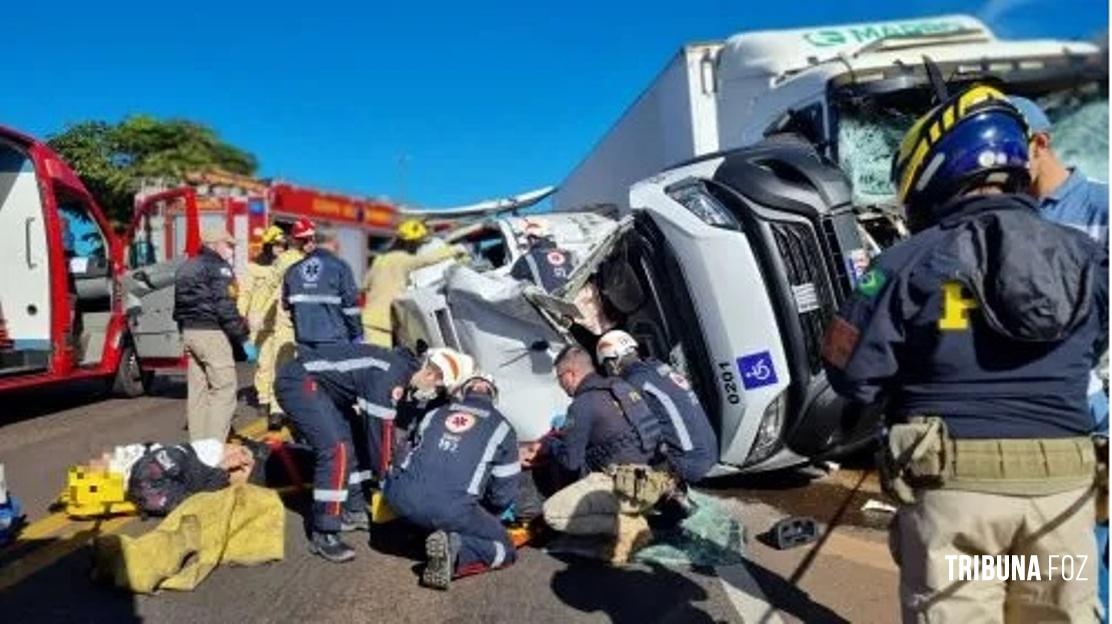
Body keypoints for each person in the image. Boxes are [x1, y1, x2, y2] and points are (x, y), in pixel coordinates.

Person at [821, 84, 1106, 622]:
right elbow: (1096, 344)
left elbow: (851, 374)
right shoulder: (1087, 257)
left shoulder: (903, 264)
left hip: (955, 497)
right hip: (1062, 499)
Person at [1011, 93, 1111, 624]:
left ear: (1040, 143)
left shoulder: (1101, 209)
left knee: (1096, 538)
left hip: (1094, 404)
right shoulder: (1006, 216)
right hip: (1035, 416)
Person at [273, 343, 464, 562]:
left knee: (353, 439)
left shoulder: (401, 370)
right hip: (298, 382)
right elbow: (380, 440)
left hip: (322, 387)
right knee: (337, 450)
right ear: (431, 373)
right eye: (438, 388)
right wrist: (389, 484)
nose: (434, 394)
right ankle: (324, 531)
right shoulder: (390, 379)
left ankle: (352, 510)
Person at [523, 345, 667, 564]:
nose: (560, 385)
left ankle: (630, 526)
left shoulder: (582, 405)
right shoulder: (620, 386)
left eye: (559, 378)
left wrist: (549, 445)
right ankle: (634, 512)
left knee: (553, 513)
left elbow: (570, 462)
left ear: (570, 374)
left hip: (630, 487)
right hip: (659, 478)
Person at [383, 374, 520, 589]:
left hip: (398, 497)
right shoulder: (503, 429)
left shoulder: (434, 413)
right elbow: (503, 495)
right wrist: (485, 515)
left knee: (430, 496)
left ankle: (416, 531)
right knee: (506, 548)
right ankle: (456, 552)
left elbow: (405, 452)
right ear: (493, 396)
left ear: (464, 392)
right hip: (449, 510)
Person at [595, 330, 716, 485]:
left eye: (605, 366)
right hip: (709, 451)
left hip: (688, 464)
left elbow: (627, 431)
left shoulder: (633, 383)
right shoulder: (658, 368)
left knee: (617, 470)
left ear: (612, 363)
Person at [173, 227, 255, 442]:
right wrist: (242, 336)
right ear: (214, 244)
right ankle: (213, 448)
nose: (232, 249)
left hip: (190, 332)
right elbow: (225, 306)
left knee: (198, 392)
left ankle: (198, 446)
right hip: (211, 333)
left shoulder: (186, 266)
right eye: (228, 245)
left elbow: (178, 306)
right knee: (225, 388)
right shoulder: (219, 268)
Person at [361, 219, 469, 347]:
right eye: (417, 244)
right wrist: (456, 250)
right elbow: (427, 260)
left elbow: (365, 287)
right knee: (379, 359)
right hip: (383, 323)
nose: (417, 247)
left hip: (369, 319)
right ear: (410, 243)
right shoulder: (402, 260)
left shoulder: (380, 261)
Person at [258, 217, 314, 430]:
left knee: (305, 367)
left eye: (310, 238)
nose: (308, 242)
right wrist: (257, 312)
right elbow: (270, 283)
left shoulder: (316, 260)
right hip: (288, 322)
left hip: (309, 322)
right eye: (304, 239)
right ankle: (276, 411)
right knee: (281, 365)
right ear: (296, 240)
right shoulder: (287, 259)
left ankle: (298, 408)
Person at [238, 225, 288, 420]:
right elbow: (245, 294)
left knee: (280, 365)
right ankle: (264, 400)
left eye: (283, 245)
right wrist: (241, 317)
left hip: (282, 323)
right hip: (260, 324)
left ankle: (277, 405)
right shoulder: (253, 268)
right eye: (276, 245)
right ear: (267, 245)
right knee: (263, 365)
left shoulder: (287, 266)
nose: (280, 248)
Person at [283, 228, 362, 348]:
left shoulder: (293, 270)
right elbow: (350, 306)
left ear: (314, 241)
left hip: (303, 339)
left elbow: (287, 305)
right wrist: (357, 334)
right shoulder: (340, 267)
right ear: (334, 242)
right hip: (334, 340)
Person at [509, 220, 573, 293]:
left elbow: (512, 280)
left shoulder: (528, 258)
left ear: (532, 239)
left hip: (549, 301)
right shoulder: (569, 254)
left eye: (527, 239)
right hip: (574, 298)